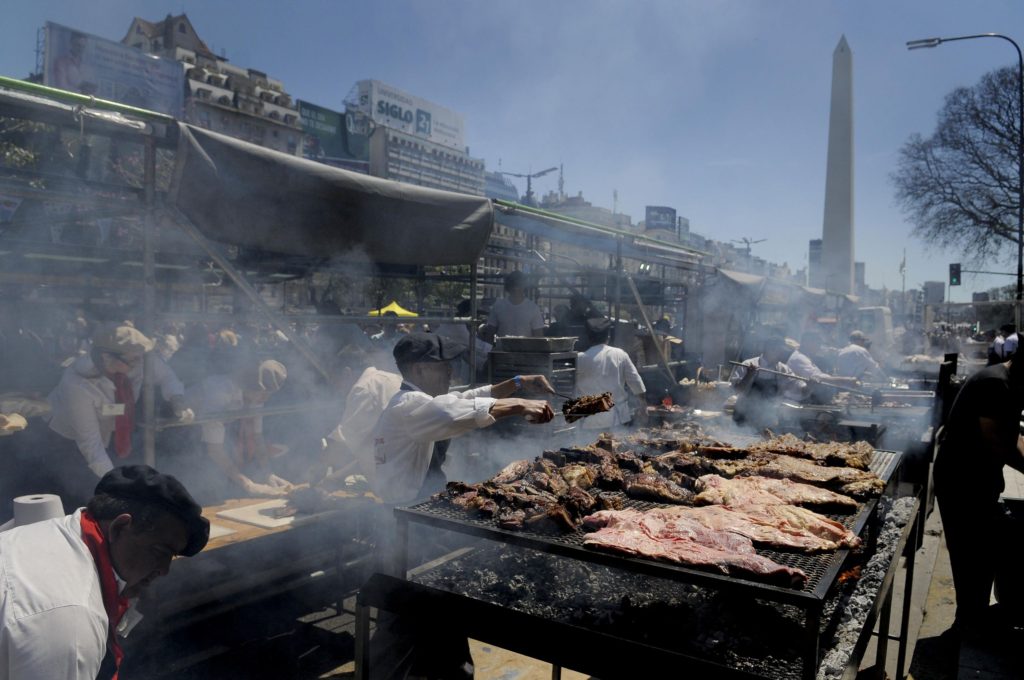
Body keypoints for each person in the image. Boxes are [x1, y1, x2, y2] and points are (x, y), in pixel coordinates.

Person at [0, 465, 209, 680]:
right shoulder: (71, 622)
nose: (164, 570)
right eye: (160, 551)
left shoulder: (54, 531)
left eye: (171, 556)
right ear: (119, 527)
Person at [372, 332, 555, 505]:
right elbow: (451, 413)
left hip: (424, 498)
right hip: (405, 507)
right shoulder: (408, 405)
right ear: (419, 369)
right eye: (444, 365)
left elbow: (465, 399)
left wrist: (518, 381)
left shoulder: (424, 402)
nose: (451, 371)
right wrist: (519, 404)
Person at [43, 325, 193, 509]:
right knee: (81, 493)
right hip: (69, 440)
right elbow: (91, 446)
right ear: (107, 358)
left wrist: (177, 398)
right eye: (133, 360)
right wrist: (120, 485)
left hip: (114, 431)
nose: (140, 364)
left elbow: (167, 376)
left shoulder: (138, 358)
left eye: (141, 358)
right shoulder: (76, 383)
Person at [934, 356, 1024, 638]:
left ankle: (974, 617)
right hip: (962, 479)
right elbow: (1001, 445)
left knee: (982, 550)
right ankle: (968, 622)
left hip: (977, 477)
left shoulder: (1007, 381)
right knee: (971, 553)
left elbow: (1011, 436)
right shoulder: (996, 385)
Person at [185, 357, 294, 499]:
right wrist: (249, 485)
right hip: (180, 435)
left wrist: (268, 473)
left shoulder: (255, 394)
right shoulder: (220, 392)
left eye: (270, 394)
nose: (266, 398)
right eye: (264, 393)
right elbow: (214, 450)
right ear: (251, 384)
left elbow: (257, 436)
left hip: (206, 436)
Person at [325, 365, 404, 484]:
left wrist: (319, 466)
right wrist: (336, 476)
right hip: (410, 467)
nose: (337, 388)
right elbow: (370, 450)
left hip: (402, 477)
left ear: (346, 373)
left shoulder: (364, 387)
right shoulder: (390, 379)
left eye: (334, 380)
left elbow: (343, 440)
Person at [575, 317, 646, 431]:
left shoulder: (579, 359)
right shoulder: (620, 354)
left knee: (589, 448)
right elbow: (636, 383)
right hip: (617, 419)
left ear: (588, 337)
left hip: (590, 421)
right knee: (619, 447)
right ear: (608, 336)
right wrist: (643, 407)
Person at [730, 334, 804, 428]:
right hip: (743, 415)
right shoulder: (748, 364)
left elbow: (800, 388)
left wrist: (810, 386)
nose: (779, 354)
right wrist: (749, 375)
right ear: (766, 349)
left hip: (766, 418)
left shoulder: (783, 369)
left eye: (781, 351)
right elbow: (737, 390)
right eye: (776, 350)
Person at [786, 331, 859, 403]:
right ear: (806, 343)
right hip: (800, 401)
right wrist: (846, 380)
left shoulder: (804, 357)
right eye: (817, 343)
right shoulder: (799, 358)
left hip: (807, 398)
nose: (819, 347)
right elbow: (818, 378)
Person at [481, 270, 545, 341]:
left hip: (525, 351)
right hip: (502, 351)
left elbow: (538, 337)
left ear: (524, 286)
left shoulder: (533, 308)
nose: (516, 288)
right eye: (513, 284)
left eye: (518, 284)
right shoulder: (498, 306)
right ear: (509, 286)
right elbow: (489, 334)